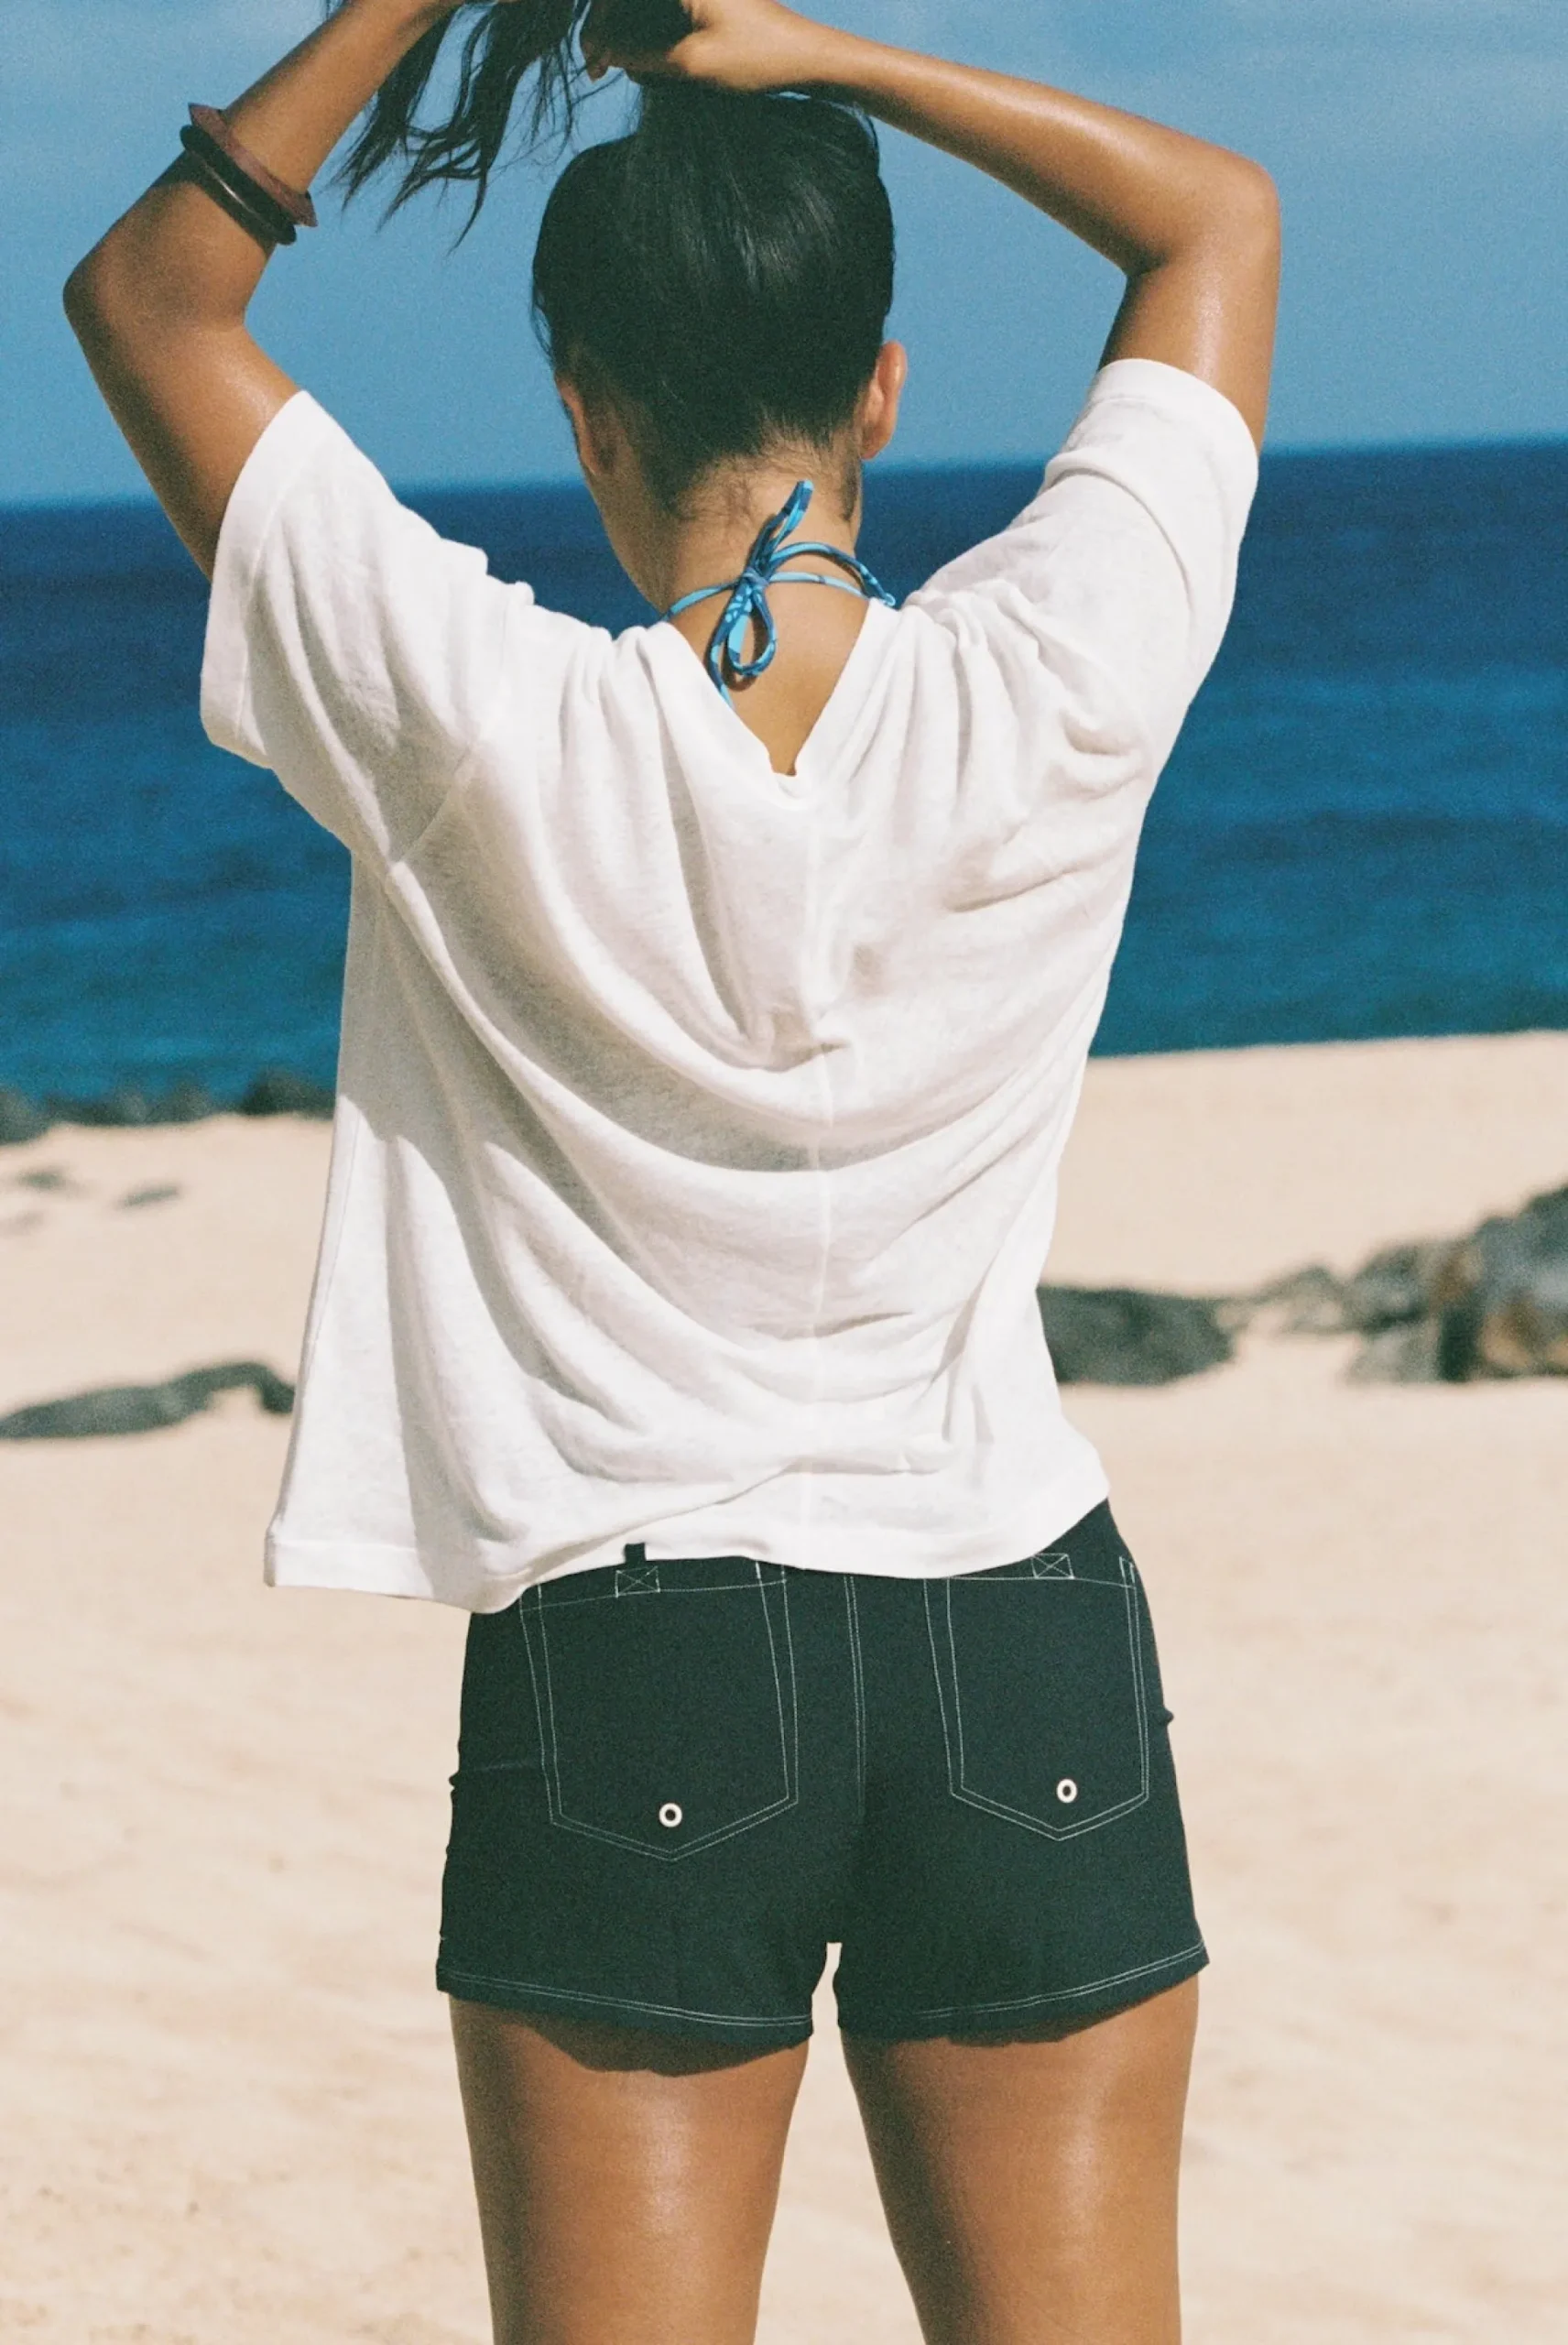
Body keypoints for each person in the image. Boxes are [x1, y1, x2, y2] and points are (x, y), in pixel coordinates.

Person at [65, 1, 1279, 2337]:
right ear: (883, 389)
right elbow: (1213, 218)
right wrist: (829, 57)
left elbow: (149, 300)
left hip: (637, 1643)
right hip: (1016, 1615)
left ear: (585, 411)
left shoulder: (474, 720)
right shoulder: (1065, 670)